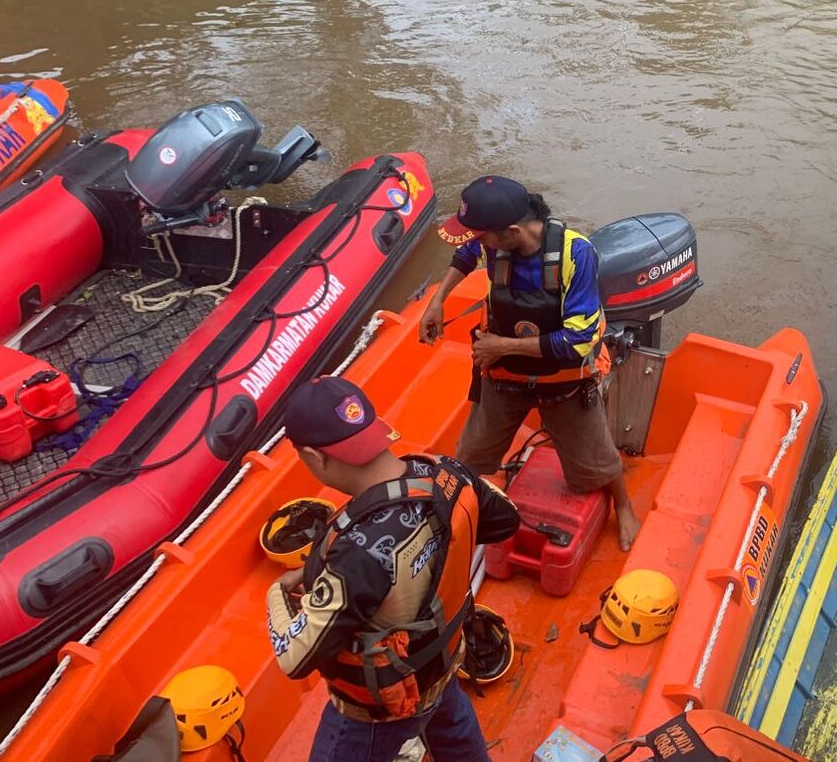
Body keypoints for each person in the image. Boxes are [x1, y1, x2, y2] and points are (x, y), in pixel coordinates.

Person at [266, 376, 521, 762]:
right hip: (442, 662)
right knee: (455, 732)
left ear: (315, 458)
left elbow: (295, 658)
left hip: (379, 708)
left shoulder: (355, 553)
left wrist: (277, 594)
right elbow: (504, 520)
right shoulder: (449, 473)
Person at [418, 175, 642, 550]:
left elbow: (578, 340)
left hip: (564, 384)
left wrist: (501, 346)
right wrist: (437, 301)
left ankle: (624, 506)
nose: (480, 243)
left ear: (512, 233)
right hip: (503, 378)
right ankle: (455, 518)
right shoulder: (493, 243)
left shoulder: (577, 255)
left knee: (597, 463)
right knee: (470, 455)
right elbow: (466, 254)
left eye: (483, 237)